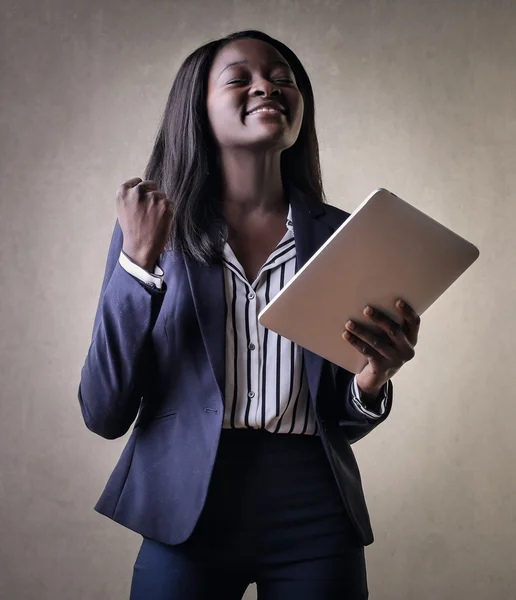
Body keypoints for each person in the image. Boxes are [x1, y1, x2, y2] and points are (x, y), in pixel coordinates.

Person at [78, 29, 420, 600]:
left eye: (283, 79)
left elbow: (343, 417)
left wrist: (372, 379)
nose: (268, 86)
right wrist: (137, 265)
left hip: (315, 506)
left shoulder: (342, 237)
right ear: (197, 107)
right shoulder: (152, 230)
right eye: (240, 78)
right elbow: (104, 410)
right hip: (186, 505)